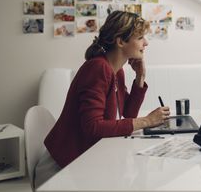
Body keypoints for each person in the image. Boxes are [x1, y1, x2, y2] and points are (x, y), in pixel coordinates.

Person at [34, 11, 170, 189]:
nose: (146, 43)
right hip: (61, 169)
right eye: (140, 37)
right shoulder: (98, 68)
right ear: (120, 41)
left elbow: (128, 113)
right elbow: (93, 127)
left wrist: (140, 78)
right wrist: (147, 121)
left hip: (82, 161)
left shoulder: (116, 70)